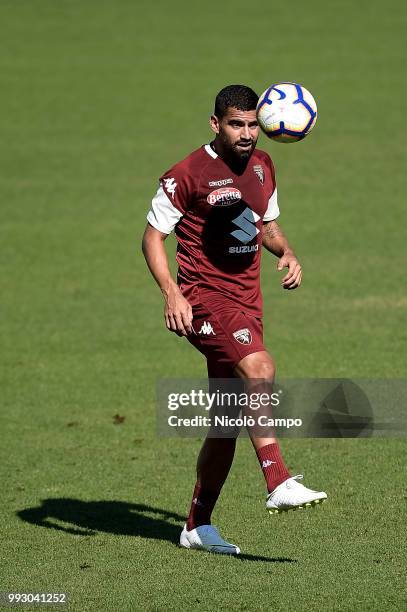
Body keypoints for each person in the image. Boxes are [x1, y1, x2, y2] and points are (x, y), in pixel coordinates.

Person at [142, 85, 327, 555]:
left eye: (251, 125)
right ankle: (278, 479)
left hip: (247, 301)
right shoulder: (186, 174)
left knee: (225, 422)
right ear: (215, 124)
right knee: (260, 368)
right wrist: (172, 294)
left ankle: (196, 526)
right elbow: (152, 238)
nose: (246, 134)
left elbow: (265, 223)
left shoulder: (264, 165)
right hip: (204, 299)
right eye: (236, 125)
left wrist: (287, 251)